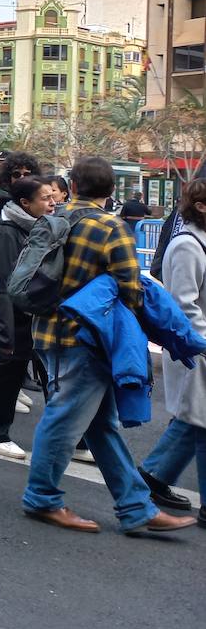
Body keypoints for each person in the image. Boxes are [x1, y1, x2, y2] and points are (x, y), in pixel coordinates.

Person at [21, 156, 196, 533]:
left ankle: (136, 507)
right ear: (112, 189)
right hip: (87, 337)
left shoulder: (56, 217)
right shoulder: (110, 227)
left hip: (48, 330)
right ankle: (41, 497)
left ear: (72, 185)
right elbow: (131, 288)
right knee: (65, 419)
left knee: (101, 425)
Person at [136, 177, 206, 523]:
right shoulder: (187, 245)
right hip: (194, 348)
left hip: (197, 347)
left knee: (195, 420)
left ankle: (153, 475)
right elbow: (184, 306)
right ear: (201, 207)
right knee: (199, 420)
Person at [0, 176, 56, 460]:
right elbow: (0, 287)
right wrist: (5, 330)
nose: (53, 203)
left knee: (53, 379)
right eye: (45, 198)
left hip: (36, 316)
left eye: (53, 196)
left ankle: (75, 440)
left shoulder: (39, 227)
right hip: (15, 319)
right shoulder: (6, 231)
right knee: (7, 378)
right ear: (25, 203)